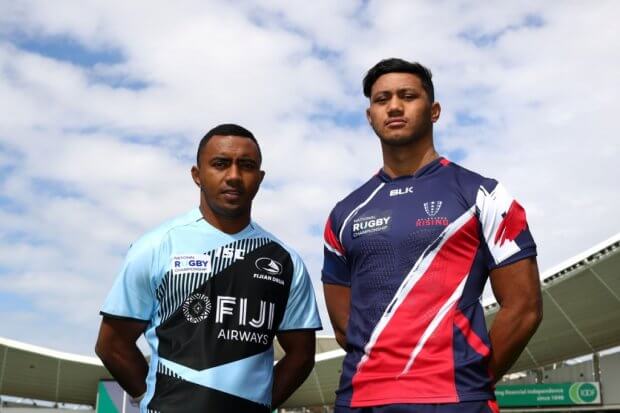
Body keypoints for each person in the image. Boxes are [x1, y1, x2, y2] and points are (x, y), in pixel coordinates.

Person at [322, 59, 542, 413]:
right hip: (360, 400)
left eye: (407, 96)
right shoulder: (344, 213)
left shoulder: (484, 195)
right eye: (382, 100)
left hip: (456, 401)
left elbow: (525, 307)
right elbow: (346, 326)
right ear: (369, 116)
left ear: (434, 110)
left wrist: (469, 380)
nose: (394, 106)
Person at [96, 123, 322, 412]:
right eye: (220, 164)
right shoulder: (156, 246)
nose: (234, 176)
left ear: (260, 177)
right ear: (197, 175)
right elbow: (112, 344)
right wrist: (158, 397)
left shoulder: (286, 261)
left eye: (247, 166)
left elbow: (302, 355)